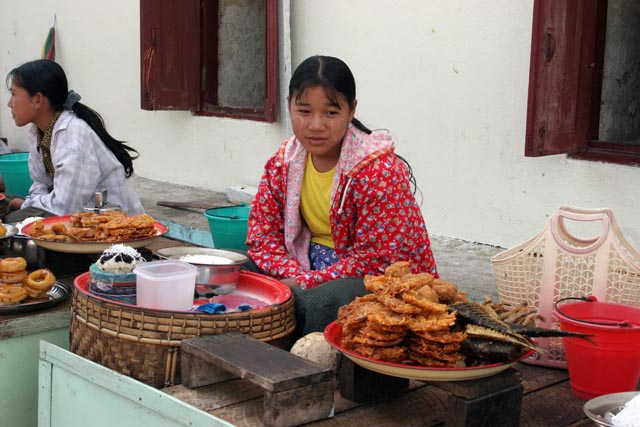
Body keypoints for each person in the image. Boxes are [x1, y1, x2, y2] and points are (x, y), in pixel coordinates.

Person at [245, 55, 438, 337]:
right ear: (289, 106)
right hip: (305, 264)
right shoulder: (285, 161)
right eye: (304, 111)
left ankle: (305, 368)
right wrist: (294, 276)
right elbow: (262, 235)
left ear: (351, 111)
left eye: (331, 113)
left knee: (322, 302)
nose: (316, 125)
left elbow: (375, 262)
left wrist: (302, 283)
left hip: (374, 279)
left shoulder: (378, 171)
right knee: (240, 273)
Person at [4, 59, 143, 222]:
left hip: (110, 226)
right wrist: (27, 204)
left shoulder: (73, 134)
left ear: (37, 100)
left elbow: (66, 207)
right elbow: (40, 183)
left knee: (10, 220)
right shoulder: (38, 132)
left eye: (14, 94)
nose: (9, 103)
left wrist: (24, 205)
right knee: (6, 202)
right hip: (72, 214)